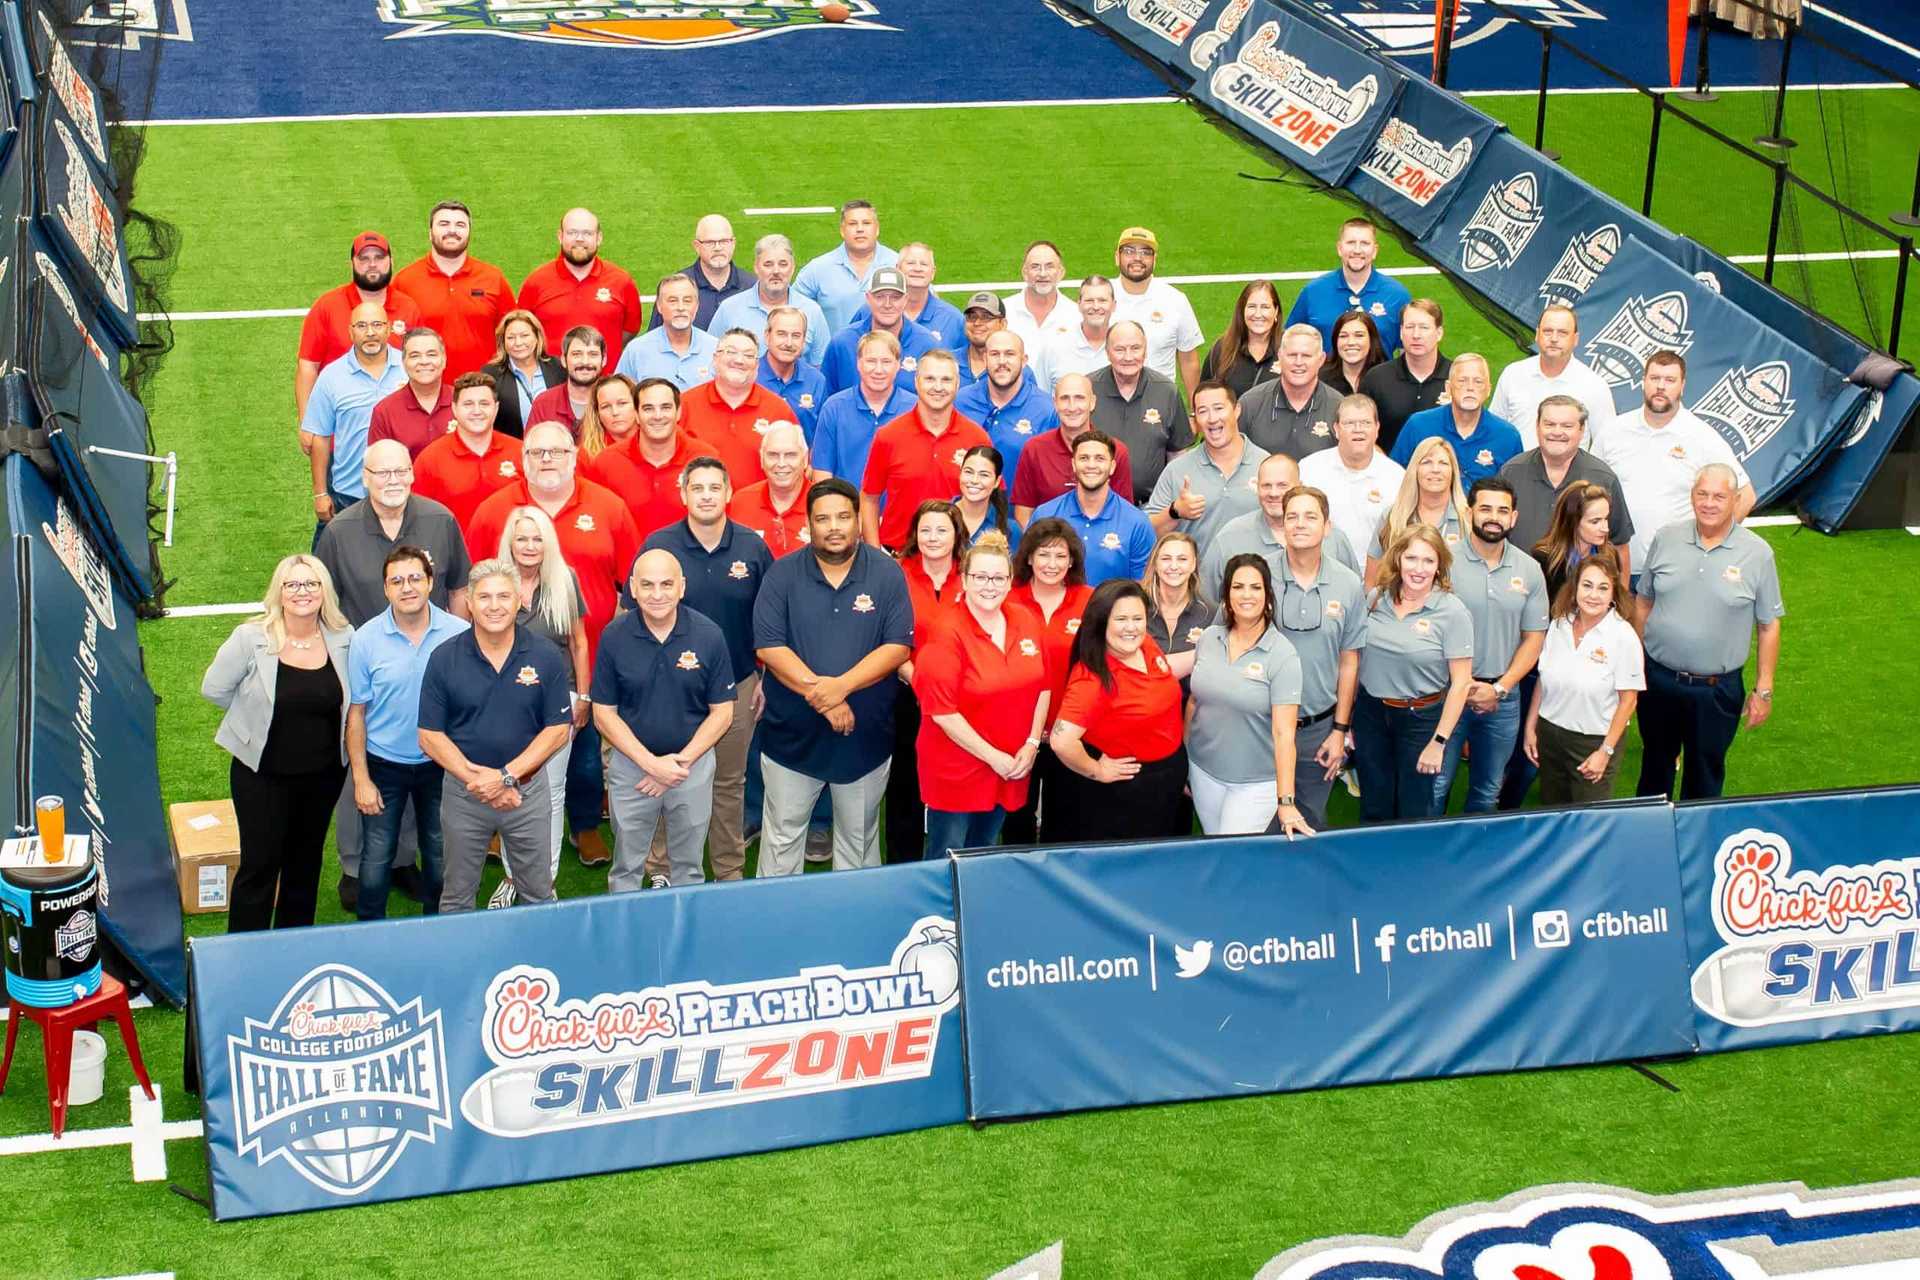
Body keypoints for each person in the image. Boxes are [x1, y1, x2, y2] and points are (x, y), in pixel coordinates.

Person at [466, 422, 642, 867]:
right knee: (505, 746)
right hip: (506, 669)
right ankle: (498, 827)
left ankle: (583, 825)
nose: (547, 460)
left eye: (557, 452)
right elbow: (469, 585)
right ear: (523, 459)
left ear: (573, 455)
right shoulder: (494, 511)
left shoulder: (608, 507)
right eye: (537, 452)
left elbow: (633, 582)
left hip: (589, 659)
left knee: (582, 754)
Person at [752, 478, 914, 874]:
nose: (834, 526)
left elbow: (897, 648)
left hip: (864, 739)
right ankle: (776, 922)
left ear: (859, 520)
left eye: (844, 516)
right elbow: (768, 647)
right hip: (791, 736)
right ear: (809, 525)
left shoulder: (887, 574)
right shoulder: (782, 574)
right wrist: (824, 698)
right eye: (823, 519)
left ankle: (855, 924)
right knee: (782, 836)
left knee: (858, 843)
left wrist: (839, 688)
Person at [201, 555, 353, 931]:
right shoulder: (251, 638)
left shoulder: (344, 638)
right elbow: (214, 689)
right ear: (279, 592)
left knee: (305, 863)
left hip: (323, 778)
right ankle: (244, 950)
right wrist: (252, 720)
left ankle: (292, 948)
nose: (302, 592)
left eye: (311, 584)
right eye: (292, 585)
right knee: (260, 864)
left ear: (324, 592)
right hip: (262, 777)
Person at [641, 458, 773, 883]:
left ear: (729, 492)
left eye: (714, 487)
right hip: (671, 693)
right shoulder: (659, 547)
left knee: (728, 783)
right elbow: (633, 617)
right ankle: (661, 869)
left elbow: (771, 621)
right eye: (697, 488)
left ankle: (728, 869)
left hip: (737, 686)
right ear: (683, 494)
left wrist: (765, 678)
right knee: (669, 776)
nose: (706, 496)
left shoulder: (752, 547)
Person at [418, 558, 572, 912]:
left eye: (504, 596)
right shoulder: (444, 658)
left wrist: (506, 777)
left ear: (519, 601)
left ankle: (540, 963)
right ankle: (460, 965)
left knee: (538, 892)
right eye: (484, 597)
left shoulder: (545, 655)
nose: (494, 606)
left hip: (528, 794)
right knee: (457, 895)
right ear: (469, 603)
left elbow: (557, 730)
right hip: (464, 794)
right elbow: (429, 735)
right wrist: (480, 781)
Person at [1635, 464, 1783, 801]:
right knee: (1654, 765)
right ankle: (1647, 839)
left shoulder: (1757, 553)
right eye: (1702, 494)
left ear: (1735, 500)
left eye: (1719, 496)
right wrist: (1635, 666)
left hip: (1716, 691)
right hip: (1658, 681)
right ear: (1692, 496)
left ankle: (1697, 843)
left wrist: (1764, 689)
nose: (1709, 503)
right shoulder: (1666, 538)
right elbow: (1643, 602)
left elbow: (1769, 624)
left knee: (1705, 774)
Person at [593, 549, 737, 889]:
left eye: (666, 584)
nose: (657, 594)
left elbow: (723, 712)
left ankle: (687, 933)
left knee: (689, 866)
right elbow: (603, 714)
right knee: (627, 866)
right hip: (632, 768)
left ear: (682, 587)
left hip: (692, 767)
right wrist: (650, 764)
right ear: (632, 588)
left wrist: (677, 765)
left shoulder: (709, 635)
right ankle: (624, 933)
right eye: (647, 585)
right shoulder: (614, 636)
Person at [346, 546, 469, 920]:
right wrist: (362, 779)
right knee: (377, 854)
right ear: (385, 589)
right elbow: (357, 714)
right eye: (396, 581)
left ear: (431, 583)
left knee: (438, 851)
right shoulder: (366, 639)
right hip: (385, 764)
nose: (407, 587)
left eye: (415, 578)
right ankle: (369, 931)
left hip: (441, 763)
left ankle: (437, 926)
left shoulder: (460, 633)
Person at [914, 532, 1052, 859]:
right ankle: (941, 909)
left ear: (1009, 582)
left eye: (998, 577)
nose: (989, 585)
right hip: (957, 770)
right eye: (980, 577)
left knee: (984, 848)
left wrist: (1032, 744)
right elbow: (942, 711)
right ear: (963, 579)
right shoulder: (946, 632)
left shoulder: (1026, 620)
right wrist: (995, 758)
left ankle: (973, 905)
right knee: (946, 854)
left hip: (1011, 765)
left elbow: (1043, 685)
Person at [1431, 477, 1548, 814]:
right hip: (1446, 691)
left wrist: (1499, 689)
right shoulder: (1443, 562)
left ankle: (1476, 860)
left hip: (1503, 697)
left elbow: (1534, 638)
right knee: (1436, 782)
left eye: (1502, 510)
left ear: (1514, 517)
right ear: (1469, 513)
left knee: (1487, 789)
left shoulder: (1529, 570)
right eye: (1485, 508)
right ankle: (1427, 858)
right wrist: (1461, 687)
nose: (1493, 516)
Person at [1049, 579, 1188, 841]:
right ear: (1101, 622)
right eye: (1121, 619)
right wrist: (1096, 770)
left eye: (1137, 618)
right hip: (1129, 789)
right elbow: (1060, 741)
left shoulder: (1144, 645)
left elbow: (1161, 672)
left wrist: (1207, 651)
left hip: (1166, 777)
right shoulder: (1091, 679)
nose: (1131, 627)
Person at [1352, 525, 1474, 822]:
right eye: (1412, 558)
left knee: (1414, 809)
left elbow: (1461, 684)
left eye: (1428, 561)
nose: (1418, 569)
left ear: (1440, 566)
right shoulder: (1375, 599)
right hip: (1371, 714)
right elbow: (1356, 658)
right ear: (1398, 560)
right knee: (1374, 803)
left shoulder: (1453, 612)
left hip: (1420, 721)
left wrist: (1439, 742)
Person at [1187, 554, 1312, 836]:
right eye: (1238, 586)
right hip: (1203, 772)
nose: (1246, 595)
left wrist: (1286, 801)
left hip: (1254, 784)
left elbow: (1284, 735)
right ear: (1226, 594)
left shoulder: (1283, 655)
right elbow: (1195, 702)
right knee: (1212, 841)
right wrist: (1187, 761)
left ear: (1268, 595)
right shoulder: (1208, 639)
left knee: (1231, 855)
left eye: (1255, 587)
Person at [1599, 351, 1756, 572]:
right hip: (1614, 568)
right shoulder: (1613, 430)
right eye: (1654, 378)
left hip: (1675, 572)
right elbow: (1589, 489)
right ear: (1643, 382)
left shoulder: (1702, 437)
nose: (1660, 386)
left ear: (1682, 386)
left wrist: (1712, 545)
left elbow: (1746, 496)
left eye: (1670, 380)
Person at [500, 506, 591, 882]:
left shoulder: (564, 580)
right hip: (506, 705)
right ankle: (510, 876)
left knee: (552, 792)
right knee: (511, 786)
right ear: (510, 541)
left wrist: (583, 698)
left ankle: (544, 881)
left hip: (559, 703)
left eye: (537, 538)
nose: (529, 546)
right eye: (522, 538)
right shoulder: (494, 579)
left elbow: (579, 643)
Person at [1273, 486, 1367, 830]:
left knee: (1311, 819)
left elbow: (1350, 661)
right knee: (1257, 823)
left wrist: (1340, 730)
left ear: (1327, 527)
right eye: (1292, 516)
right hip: (1259, 725)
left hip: (1319, 728)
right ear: (1282, 525)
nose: (1300, 524)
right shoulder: (1258, 578)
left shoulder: (1348, 584)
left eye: (1310, 516)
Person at [1001, 519, 1093, 845]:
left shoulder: (1089, 601)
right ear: (1028, 557)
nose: (1052, 564)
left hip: (1068, 732)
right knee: (1016, 818)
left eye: (1060, 556)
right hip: (1016, 731)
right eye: (1043, 554)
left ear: (1072, 561)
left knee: (1065, 818)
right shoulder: (1007, 600)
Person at [1526, 549, 1643, 805]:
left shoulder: (1623, 636)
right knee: (1552, 810)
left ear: (1613, 594)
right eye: (1587, 585)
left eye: (1602, 588)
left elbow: (1628, 701)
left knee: (1589, 821)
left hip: (1593, 741)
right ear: (1575, 587)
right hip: (1550, 734)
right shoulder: (1558, 625)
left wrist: (1605, 751)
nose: (1593, 595)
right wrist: (1530, 727)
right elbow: (1543, 680)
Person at [315, 439, 471, 627]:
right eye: (383, 473)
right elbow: (323, 600)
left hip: (434, 651)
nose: (394, 480)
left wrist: (458, 644)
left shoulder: (441, 521)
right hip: (366, 652)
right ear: (365, 477)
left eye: (401, 471)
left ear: (412, 474)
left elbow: (458, 590)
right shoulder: (338, 532)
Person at [887, 500, 967, 862]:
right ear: (914, 535)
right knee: (905, 783)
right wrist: (919, 680)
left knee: (954, 786)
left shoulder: (972, 576)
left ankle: (949, 862)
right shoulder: (895, 575)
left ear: (957, 535)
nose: (933, 538)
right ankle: (903, 867)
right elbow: (887, 637)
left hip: (961, 701)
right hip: (907, 695)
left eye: (942, 530)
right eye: (925, 530)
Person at [861, 350, 989, 551]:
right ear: (916, 382)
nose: (938, 387)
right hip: (898, 558)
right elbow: (869, 498)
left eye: (946, 380)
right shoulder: (888, 436)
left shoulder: (977, 438)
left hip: (957, 560)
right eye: (930, 379)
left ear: (957, 385)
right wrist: (875, 554)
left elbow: (990, 502)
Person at [295, 231, 418, 432]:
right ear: (352, 263)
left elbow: (418, 365)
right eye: (364, 258)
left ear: (390, 261)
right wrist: (308, 424)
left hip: (397, 433)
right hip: (340, 431)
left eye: (379, 258)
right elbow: (308, 366)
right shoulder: (327, 306)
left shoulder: (409, 307)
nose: (372, 264)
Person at [303, 302, 407, 540]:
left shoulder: (408, 367)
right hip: (349, 494)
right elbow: (320, 437)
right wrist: (320, 494)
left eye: (377, 325)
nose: (370, 332)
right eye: (361, 326)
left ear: (388, 329)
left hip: (400, 491)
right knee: (334, 571)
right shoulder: (331, 376)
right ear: (350, 332)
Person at [1498, 394, 1635, 572]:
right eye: (1549, 424)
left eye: (1567, 426)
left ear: (1582, 430)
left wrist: (1619, 599)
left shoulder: (1603, 478)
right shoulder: (1510, 473)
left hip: (1580, 595)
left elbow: (1619, 545)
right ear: (1537, 427)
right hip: (1518, 587)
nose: (1557, 432)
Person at [1201, 452, 1362, 603]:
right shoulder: (1230, 537)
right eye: (1266, 485)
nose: (1274, 493)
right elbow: (1205, 602)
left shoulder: (1332, 537)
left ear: (1300, 486)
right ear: (1257, 488)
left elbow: (1355, 597)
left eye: (1282, 485)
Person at [392, 200, 516, 379]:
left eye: (460, 225)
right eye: (444, 224)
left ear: (469, 233)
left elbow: (512, 333)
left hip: (483, 390)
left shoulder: (493, 278)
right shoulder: (405, 281)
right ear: (430, 233)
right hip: (427, 391)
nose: (452, 230)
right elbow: (395, 341)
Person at [1146, 380, 1267, 556]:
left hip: (1252, 581)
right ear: (1195, 421)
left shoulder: (1265, 465)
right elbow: (1147, 534)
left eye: (1219, 408)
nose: (1212, 419)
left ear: (1236, 410)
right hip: (1196, 581)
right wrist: (1175, 511)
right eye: (1203, 411)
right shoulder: (1177, 470)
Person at [518, 207, 642, 370]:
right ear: (560, 236)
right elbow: (521, 330)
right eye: (572, 233)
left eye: (587, 233)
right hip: (550, 386)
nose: (579, 239)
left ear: (599, 238)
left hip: (604, 387)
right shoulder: (536, 282)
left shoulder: (622, 281)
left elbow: (629, 331)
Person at [1030, 429, 1155, 585]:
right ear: (1073, 465)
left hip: (1111, 609)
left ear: (1112, 466)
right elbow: (1028, 576)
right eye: (1084, 458)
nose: (1091, 465)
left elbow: (1143, 586)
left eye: (1099, 459)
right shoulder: (1044, 515)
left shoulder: (1137, 523)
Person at [679, 329, 798, 488]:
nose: (739, 360)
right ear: (715, 358)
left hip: (758, 510)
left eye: (748, 355)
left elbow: (796, 465)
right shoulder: (685, 404)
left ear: (756, 365)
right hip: (700, 508)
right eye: (731, 352)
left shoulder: (778, 409)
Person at [1010, 372, 1136, 521]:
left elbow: (1125, 514)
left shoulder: (1115, 451)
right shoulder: (1034, 449)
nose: (1072, 407)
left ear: (1092, 402)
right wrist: (1039, 544)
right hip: (1047, 540)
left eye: (1079, 398)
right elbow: (1024, 512)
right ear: (1055, 403)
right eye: (1064, 398)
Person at [1299, 393, 1404, 571]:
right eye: (1349, 423)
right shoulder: (1309, 469)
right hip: (1321, 574)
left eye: (1365, 423)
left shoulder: (1397, 477)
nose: (1358, 429)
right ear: (1336, 429)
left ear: (1377, 429)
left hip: (1378, 578)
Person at [1090, 320, 1191, 504]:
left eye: (1135, 348)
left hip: (1152, 507)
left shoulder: (1166, 391)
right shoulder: (1088, 389)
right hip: (1098, 505)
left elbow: (1178, 454)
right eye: (1119, 349)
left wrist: (1170, 502)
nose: (1128, 357)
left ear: (1145, 351)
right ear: (1107, 352)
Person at [576, 375, 689, 539]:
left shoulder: (671, 444)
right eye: (606, 407)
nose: (615, 412)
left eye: (622, 404)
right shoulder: (589, 458)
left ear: (637, 408)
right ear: (597, 413)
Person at [1489, 304, 1615, 451]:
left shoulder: (1594, 385)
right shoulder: (1513, 374)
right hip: (1513, 470)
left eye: (1562, 333)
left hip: (1569, 473)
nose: (1554, 339)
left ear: (1575, 339)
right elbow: (1494, 428)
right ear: (1537, 335)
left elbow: (1608, 443)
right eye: (1547, 331)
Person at [1390, 355, 1523, 487]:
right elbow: (1394, 476)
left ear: (1488, 389)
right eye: (1462, 381)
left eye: (1478, 381)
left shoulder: (1508, 436)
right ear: (1448, 388)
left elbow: (1517, 490)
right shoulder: (1418, 425)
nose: (1470, 387)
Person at [414, 371, 524, 530]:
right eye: (468, 404)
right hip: (454, 553)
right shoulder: (430, 459)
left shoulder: (520, 452)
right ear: (454, 408)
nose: (477, 411)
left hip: (511, 553)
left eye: (484, 404)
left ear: (496, 408)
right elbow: (418, 518)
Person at [1288, 218, 1411, 356]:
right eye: (1351, 243)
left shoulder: (1397, 295)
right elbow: (1290, 342)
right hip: (1324, 378)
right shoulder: (1313, 291)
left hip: (1378, 378)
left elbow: (1407, 352)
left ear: (1375, 250)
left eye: (1364, 243)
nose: (1357, 250)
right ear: (1339, 248)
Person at [811, 331, 917, 491]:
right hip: (847, 511)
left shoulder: (915, 408)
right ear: (858, 363)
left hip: (899, 513)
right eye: (871, 361)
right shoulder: (834, 408)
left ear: (898, 365)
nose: (878, 370)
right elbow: (822, 475)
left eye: (886, 361)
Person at [955, 328, 1057, 484]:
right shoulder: (960, 401)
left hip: (1018, 507)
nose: (1002, 361)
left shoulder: (1046, 409)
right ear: (985, 359)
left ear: (1024, 361)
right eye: (995, 354)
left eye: (1010, 354)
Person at [713, 234, 832, 368]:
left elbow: (821, 366)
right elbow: (711, 358)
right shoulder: (729, 309)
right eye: (768, 264)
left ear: (792, 268)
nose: (776, 271)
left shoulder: (812, 311)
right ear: (756, 267)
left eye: (783, 264)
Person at [1109, 227, 1203, 394]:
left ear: (1155, 259)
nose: (1137, 258)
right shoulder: (1100, 300)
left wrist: (1195, 412)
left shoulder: (1176, 300)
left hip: (1160, 402)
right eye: (1129, 251)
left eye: (1146, 252)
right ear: (1117, 257)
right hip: (1109, 400)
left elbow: (1189, 361)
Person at [821, 266, 941, 397]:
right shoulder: (842, 343)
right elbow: (827, 397)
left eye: (895, 297)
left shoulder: (927, 345)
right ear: (868, 298)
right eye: (880, 297)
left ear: (906, 299)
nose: (887, 304)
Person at [1366, 437, 1469, 584]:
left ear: (1453, 472)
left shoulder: (1468, 518)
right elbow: (1372, 582)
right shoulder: (1393, 517)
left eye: (1443, 463)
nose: (1435, 470)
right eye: (1427, 462)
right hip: (1400, 605)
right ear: (1415, 470)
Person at [1236, 324, 1343, 461]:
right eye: (1292, 355)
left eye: (1306, 356)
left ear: (1321, 360)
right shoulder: (1250, 404)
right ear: (1280, 356)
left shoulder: (1339, 407)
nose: (1298, 362)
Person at [793, 199, 899, 333]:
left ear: (877, 229)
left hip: (888, 353)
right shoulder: (818, 269)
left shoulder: (898, 264)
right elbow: (792, 310)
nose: (860, 229)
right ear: (842, 230)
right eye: (853, 224)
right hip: (836, 352)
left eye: (866, 223)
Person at [1359, 299, 1451, 450]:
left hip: (1440, 471)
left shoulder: (1457, 378)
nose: (1416, 335)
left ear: (1439, 333)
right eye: (1410, 327)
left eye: (1424, 327)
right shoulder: (1376, 379)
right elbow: (1360, 431)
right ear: (1401, 332)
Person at [645, 214, 751, 332]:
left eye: (724, 241)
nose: (718, 248)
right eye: (710, 242)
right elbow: (654, 339)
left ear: (733, 243)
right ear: (697, 246)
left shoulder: (753, 286)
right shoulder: (676, 288)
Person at [616, 274, 718, 390]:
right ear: (659, 306)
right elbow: (620, 396)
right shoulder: (636, 351)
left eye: (687, 301)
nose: (680, 307)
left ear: (697, 306)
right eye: (673, 301)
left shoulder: (716, 349)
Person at [730, 420, 814, 557]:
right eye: (773, 455)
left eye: (790, 455)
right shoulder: (739, 503)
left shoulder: (822, 503)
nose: (781, 463)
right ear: (762, 459)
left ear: (805, 460)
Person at [366, 328, 454, 457]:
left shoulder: (464, 402)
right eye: (415, 356)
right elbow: (380, 467)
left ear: (444, 360)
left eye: (431, 354)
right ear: (403, 363)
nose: (424, 361)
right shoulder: (385, 412)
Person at [480, 310, 565, 440]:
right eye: (511, 337)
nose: (518, 343)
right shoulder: (491, 374)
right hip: (512, 450)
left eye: (524, 335)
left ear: (537, 337)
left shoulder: (558, 367)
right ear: (503, 342)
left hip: (555, 448)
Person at [1532, 480, 1621, 600]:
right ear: (1572, 522)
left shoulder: (1610, 555)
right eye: (1595, 522)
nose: (1605, 529)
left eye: (1606, 519)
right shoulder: (1544, 559)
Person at [1143, 529, 1208, 686]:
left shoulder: (1209, 612)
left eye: (1182, 559)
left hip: (1192, 705)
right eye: (1166, 559)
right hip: (1143, 702)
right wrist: (1202, 654)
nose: (1173, 566)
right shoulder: (1138, 608)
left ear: (1193, 565)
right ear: (1155, 564)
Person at [756, 305, 830, 440]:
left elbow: (822, 437)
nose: (789, 343)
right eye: (781, 334)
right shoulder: (750, 376)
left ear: (803, 340)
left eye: (796, 336)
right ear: (767, 336)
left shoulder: (816, 381)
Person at [1200, 279, 1283, 396]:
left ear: (1276, 312)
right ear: (1242, 311)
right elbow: (1204, 396)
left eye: (1265, 307)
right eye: (1252, 306)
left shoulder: (1291, 349)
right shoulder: (1221, 349)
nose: (1258, 314)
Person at [1003, 240, 1080, 364]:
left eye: (1050, 266)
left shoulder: (1076, 315)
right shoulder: (1003, 311)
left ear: (1061, 272)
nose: (1043, 274)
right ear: (1024, 273)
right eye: (1035, 267)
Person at [1033, 274, 1114, 393]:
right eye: (1089, 301)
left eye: (1102, 300)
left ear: (1114, 305)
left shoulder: (1126, 348)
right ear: (1079, 305)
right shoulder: (1053, 347)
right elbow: (1040, 395)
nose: (1096, 307)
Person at [526, 326, 606, 437]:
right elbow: (531, 450)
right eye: (577, 354)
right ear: (563, 360)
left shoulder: (614, 403)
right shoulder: (544, 404)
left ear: (604, 359)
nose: (585, 362)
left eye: (593, 354)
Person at [885, 242, 966, 348]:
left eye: (924, 264)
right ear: (898, 269)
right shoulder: (874, 311)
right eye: (911, 263)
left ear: (933, 273)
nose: (917, 269)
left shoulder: (953, 319)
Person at [955, 444, 1021, 551]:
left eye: (984, 475)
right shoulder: (939, 517)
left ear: (997, 481)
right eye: (968, 472)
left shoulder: (1011, 530)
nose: (974, 480)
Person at [1319, 309, 1388, 397]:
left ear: (1371, 340)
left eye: (1359, 335)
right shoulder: (1319, 380)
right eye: (1343, 336)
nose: (1351, 342)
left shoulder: (1388, 378)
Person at [956, 292, 1007, 390]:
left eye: (986, 317)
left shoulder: (1016, 368)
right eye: (972, 317)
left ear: (1003, 324)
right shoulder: (946, 363)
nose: (977, 323)